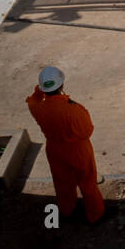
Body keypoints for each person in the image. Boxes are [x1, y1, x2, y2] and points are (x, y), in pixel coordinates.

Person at [25, 66, 105, 224]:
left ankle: (67, 209)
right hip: (78, 151)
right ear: (61, 85)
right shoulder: (73, 109)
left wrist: (39, 90)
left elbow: (32, 99)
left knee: (62, 182)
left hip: (55, 150)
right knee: (87, 182)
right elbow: (87, 130)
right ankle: (95, 214)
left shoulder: (37, 108)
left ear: (43, 88)